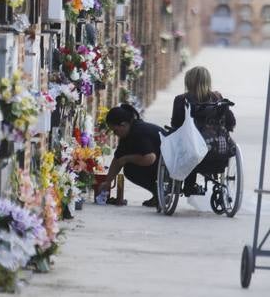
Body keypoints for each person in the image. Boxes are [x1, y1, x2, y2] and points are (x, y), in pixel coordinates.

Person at [170, 65, 236, 196]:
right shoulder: (218, 99)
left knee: (180, 142)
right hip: (218, 153)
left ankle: (187, 185)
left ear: (188, 82)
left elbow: (176, 126)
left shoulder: (181, 100)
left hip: (192, 154)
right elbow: (231, 123)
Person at [94, 104, 163, 207]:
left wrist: (127, 158)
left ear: (123, 125)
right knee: (128, 165)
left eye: (115, 130)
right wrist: (108, 182)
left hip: (167, 164)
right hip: (159, 163)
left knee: (130, 170)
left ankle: (160, 193)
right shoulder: (128, 134)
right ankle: (158, 194)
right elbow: (117, 159)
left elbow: (150, 158)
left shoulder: (139, 132)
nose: (115, 134)